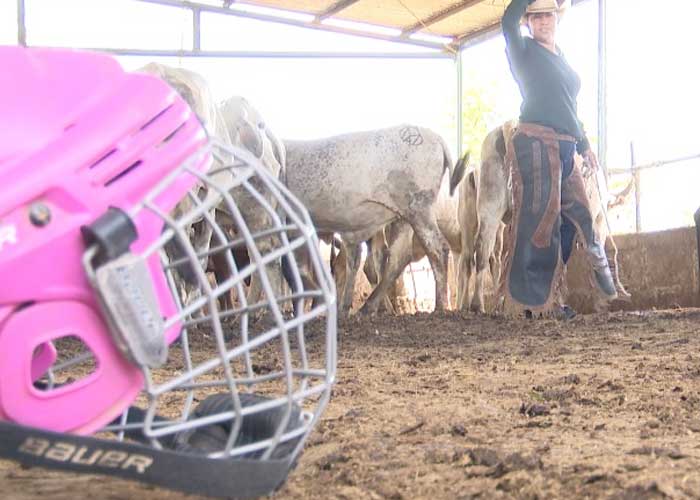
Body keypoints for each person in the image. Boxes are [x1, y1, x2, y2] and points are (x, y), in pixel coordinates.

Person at [498, 0, 618, 319]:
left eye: (547, 15)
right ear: (528, 22)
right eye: (535, 16)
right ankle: (528, 303)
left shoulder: (561, 58)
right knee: (540, 222)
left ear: (556, 18)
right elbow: (507, 21)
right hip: (538, 142)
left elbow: (569, 108)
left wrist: (585, 144)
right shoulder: (523, 50)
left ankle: (548, 296)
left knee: (574, 222)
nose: (542, 21)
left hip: (566, 146)